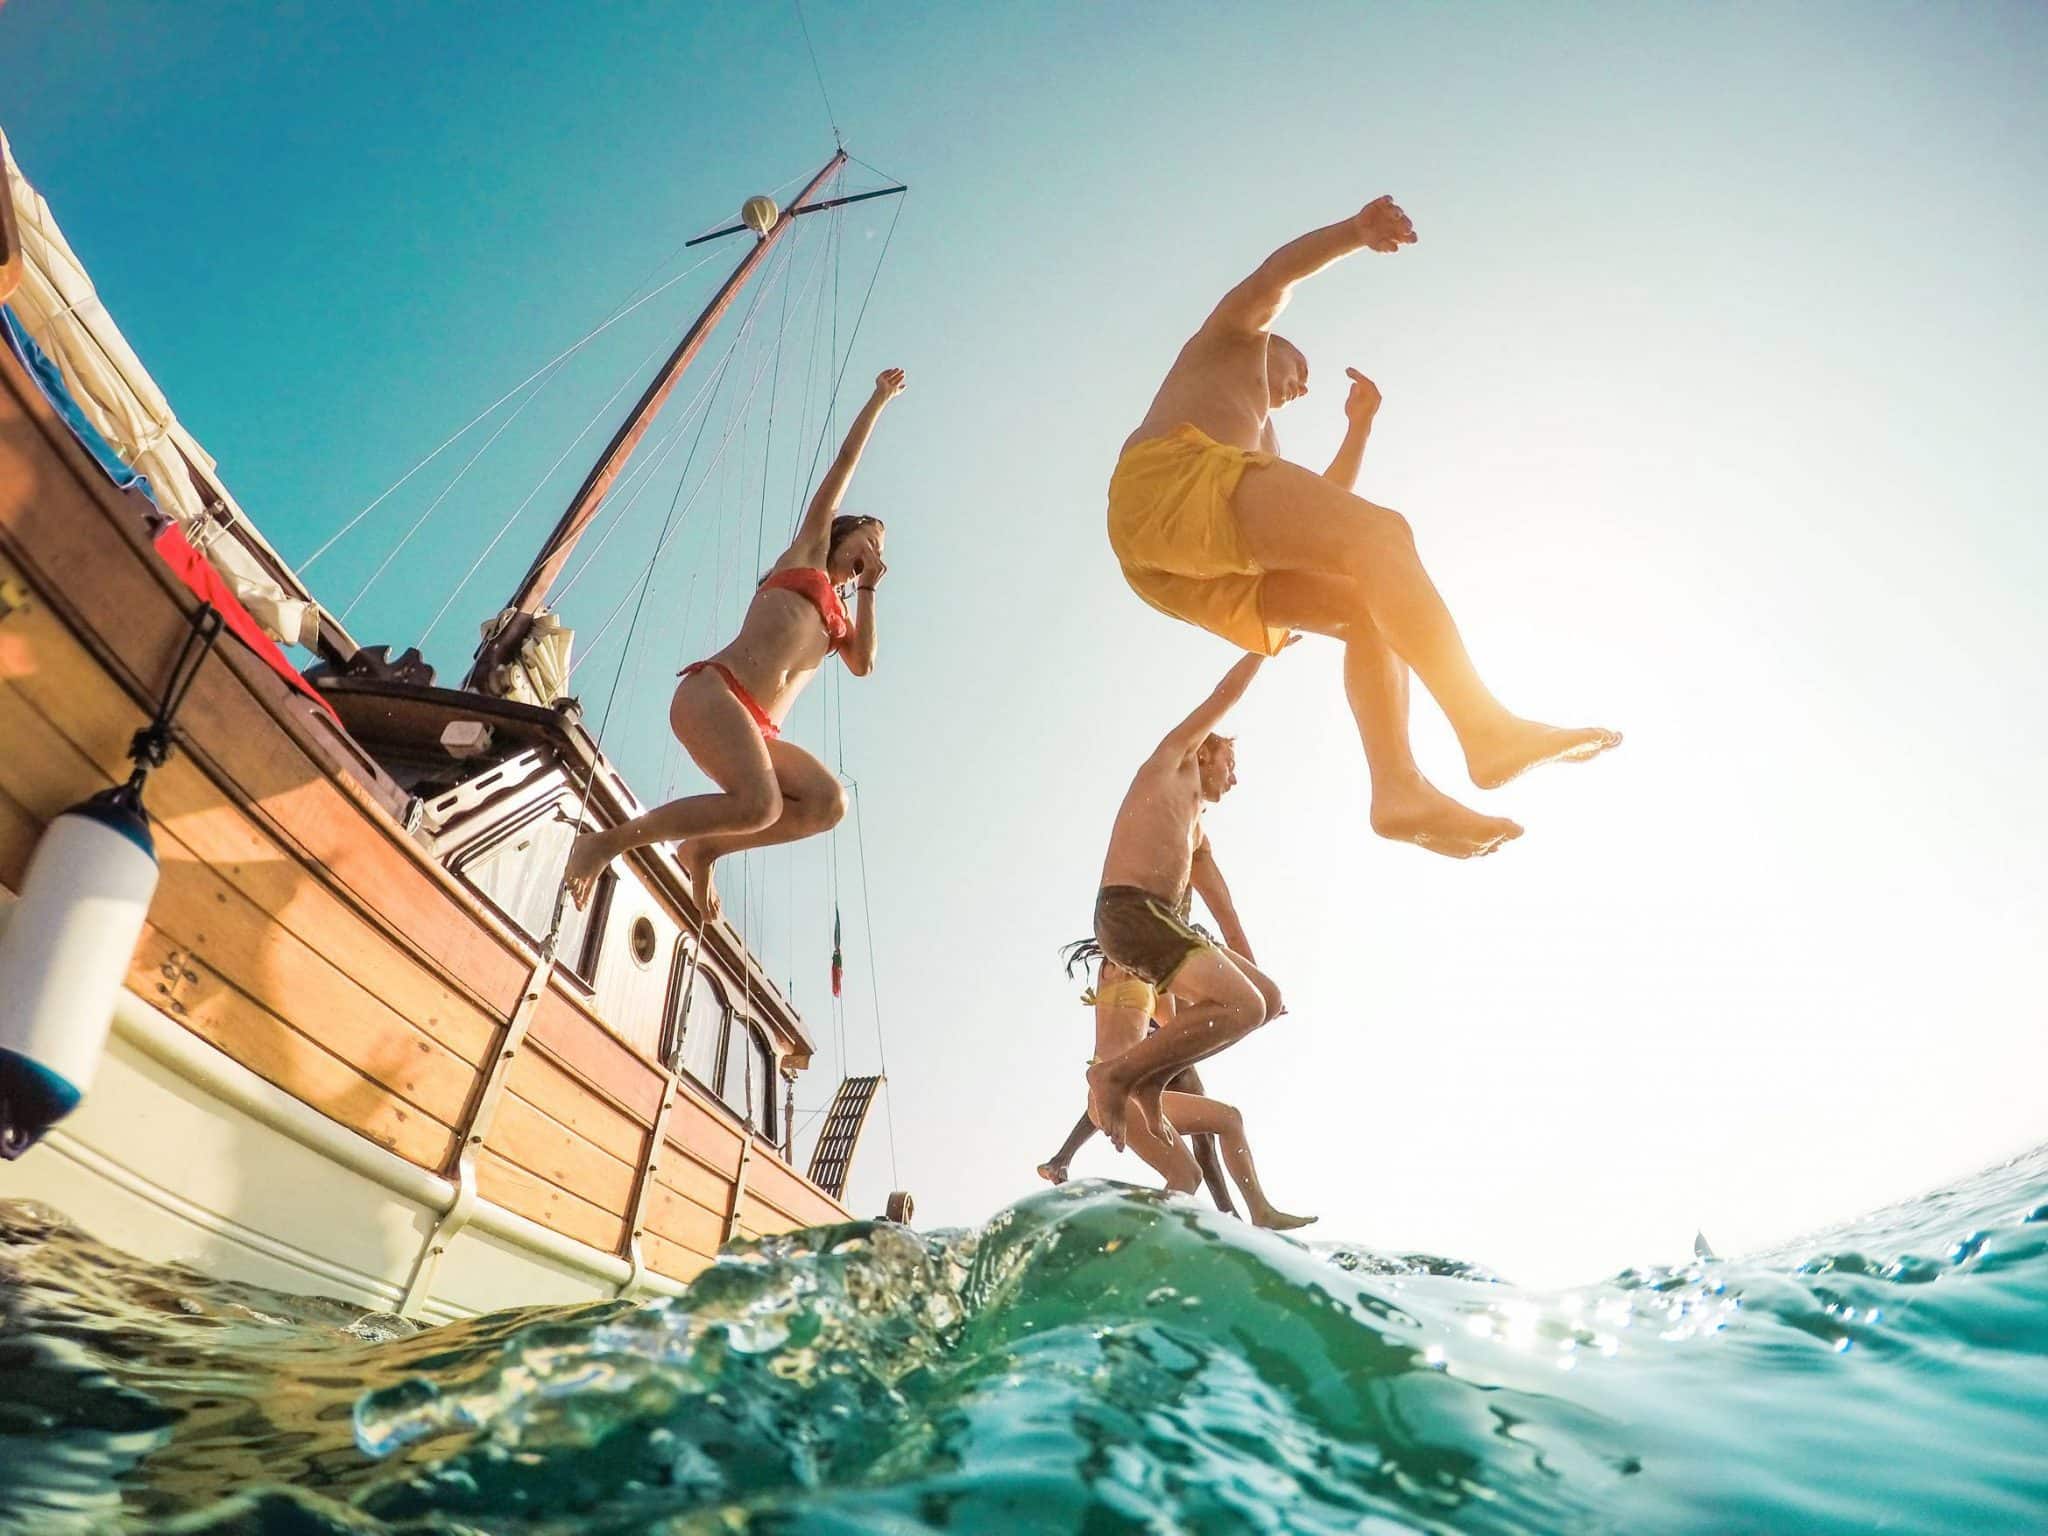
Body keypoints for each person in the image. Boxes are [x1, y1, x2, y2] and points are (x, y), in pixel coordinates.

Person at [1108, 195, 1619, 858]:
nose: (1302, 385)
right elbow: (1274, 275)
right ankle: (1486, 728)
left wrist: (1359, 428)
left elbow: (1314, 516)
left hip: (1176, 564)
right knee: (1384, 535)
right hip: (1166, 483)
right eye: (1300, 370)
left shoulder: (1258, 444)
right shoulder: (1233, 338)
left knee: (1365, 606)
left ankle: (1398, 790)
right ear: (1275, 344)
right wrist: (1354, 233)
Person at [565, 369, 906, 915]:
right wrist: (879, 398)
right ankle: (605, 843)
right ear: (846, 534)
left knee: (826, 803)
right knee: (760, 803)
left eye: (881, 546)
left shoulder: (841, 620)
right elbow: (842, 465)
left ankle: (703, 849)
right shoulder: (808, 553)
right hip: (714, 693)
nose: (876, 548)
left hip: (758, 727)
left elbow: (865, 663)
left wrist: (867, 588)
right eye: (871, 537)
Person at [1081, 650, 1301, 1159]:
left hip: (1162, 926)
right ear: (1207, 753)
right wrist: (1262, 647)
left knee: (1261, 999)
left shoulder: (1196, 832)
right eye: (1232, 764)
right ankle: (1118, 1075)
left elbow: (1223, 909)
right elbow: (1222, 698)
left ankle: (1150, 1079)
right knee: (1244, 1004)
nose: (1235, 778)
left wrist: (1255, 971)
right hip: (1129, 912)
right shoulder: (1174, 761)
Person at [1040, 933, 1311, 1231]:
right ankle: (1253, 1214)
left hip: (1106, 1093)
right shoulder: (1150, 972)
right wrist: (1238, 993)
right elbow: (1180, 1022)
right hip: (1123, 1093)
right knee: (1216, 1137)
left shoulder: (1113, 967)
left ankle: (1249, 1215)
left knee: (1197, 1162)